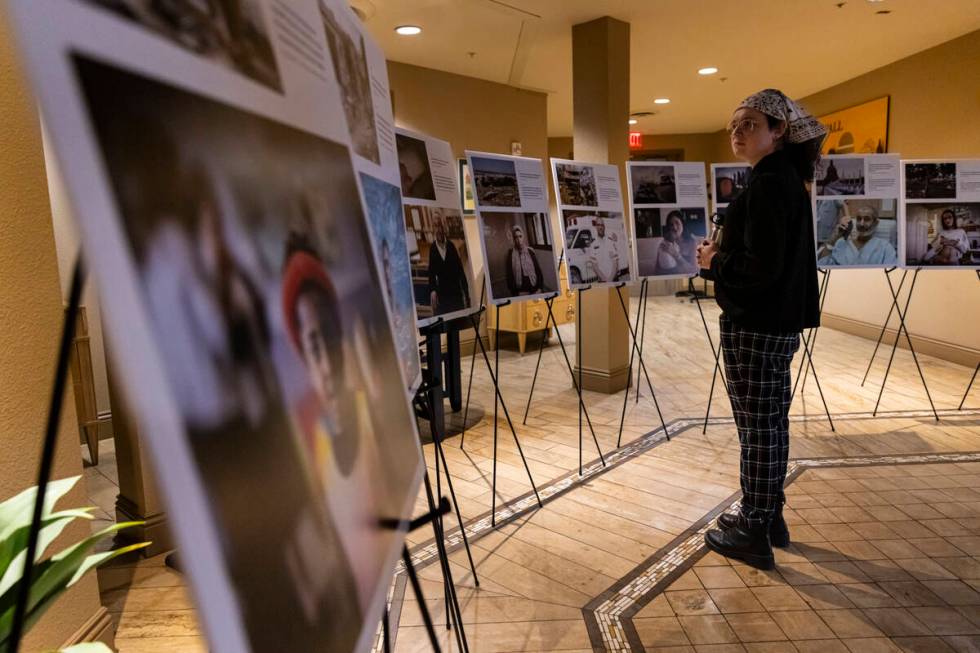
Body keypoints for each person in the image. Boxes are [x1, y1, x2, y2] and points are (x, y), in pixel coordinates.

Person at [696, 89, 826, 570]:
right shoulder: (780, 179)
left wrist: (715, 260)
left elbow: (759, 267)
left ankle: (754, 525)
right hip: (770, 323)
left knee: (758, 428)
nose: (737, 131)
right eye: (734, 124)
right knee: (770, 423)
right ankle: (769, 517)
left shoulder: (771, 183)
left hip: (757, 324)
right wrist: (721, 262)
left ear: (778, 132)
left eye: (749, 123)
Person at [818, 204, 897, 266]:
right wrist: (833, 239)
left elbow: (892, 274)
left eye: (867, 219)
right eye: (859, 219)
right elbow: (822, 265)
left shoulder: (885, 248)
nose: (861, 224)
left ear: (875, 223)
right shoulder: (841, 244)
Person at [427, 211, 470, 313]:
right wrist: (433, 290)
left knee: (458, 325)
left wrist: (466, 295)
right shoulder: (432, 249)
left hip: (456, 295)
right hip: (443, 297)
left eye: (440, 226)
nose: (438, 230)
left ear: (443, 227)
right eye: (435, 226)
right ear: (433, 229)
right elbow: (431, 274)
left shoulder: (451, 246)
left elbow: (461, 272)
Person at [504, 225, 547, 296]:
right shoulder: (510, 254)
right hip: (521, 291)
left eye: (520, 236)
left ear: (523, 237)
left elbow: (538, 271)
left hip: (534, 288)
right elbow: (509, 277)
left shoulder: (530, 251)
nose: (519, 240)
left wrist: (539, 288)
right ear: (513, 239)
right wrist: (517, 293)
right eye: (516, 237)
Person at [654, 211, 698, 276]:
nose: (674, 227)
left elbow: (694, 270)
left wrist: (676, 255)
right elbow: (657, 270)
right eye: (671, 224)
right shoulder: (666, 242)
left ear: (682, 224)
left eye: (677, 223)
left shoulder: (692, 243)